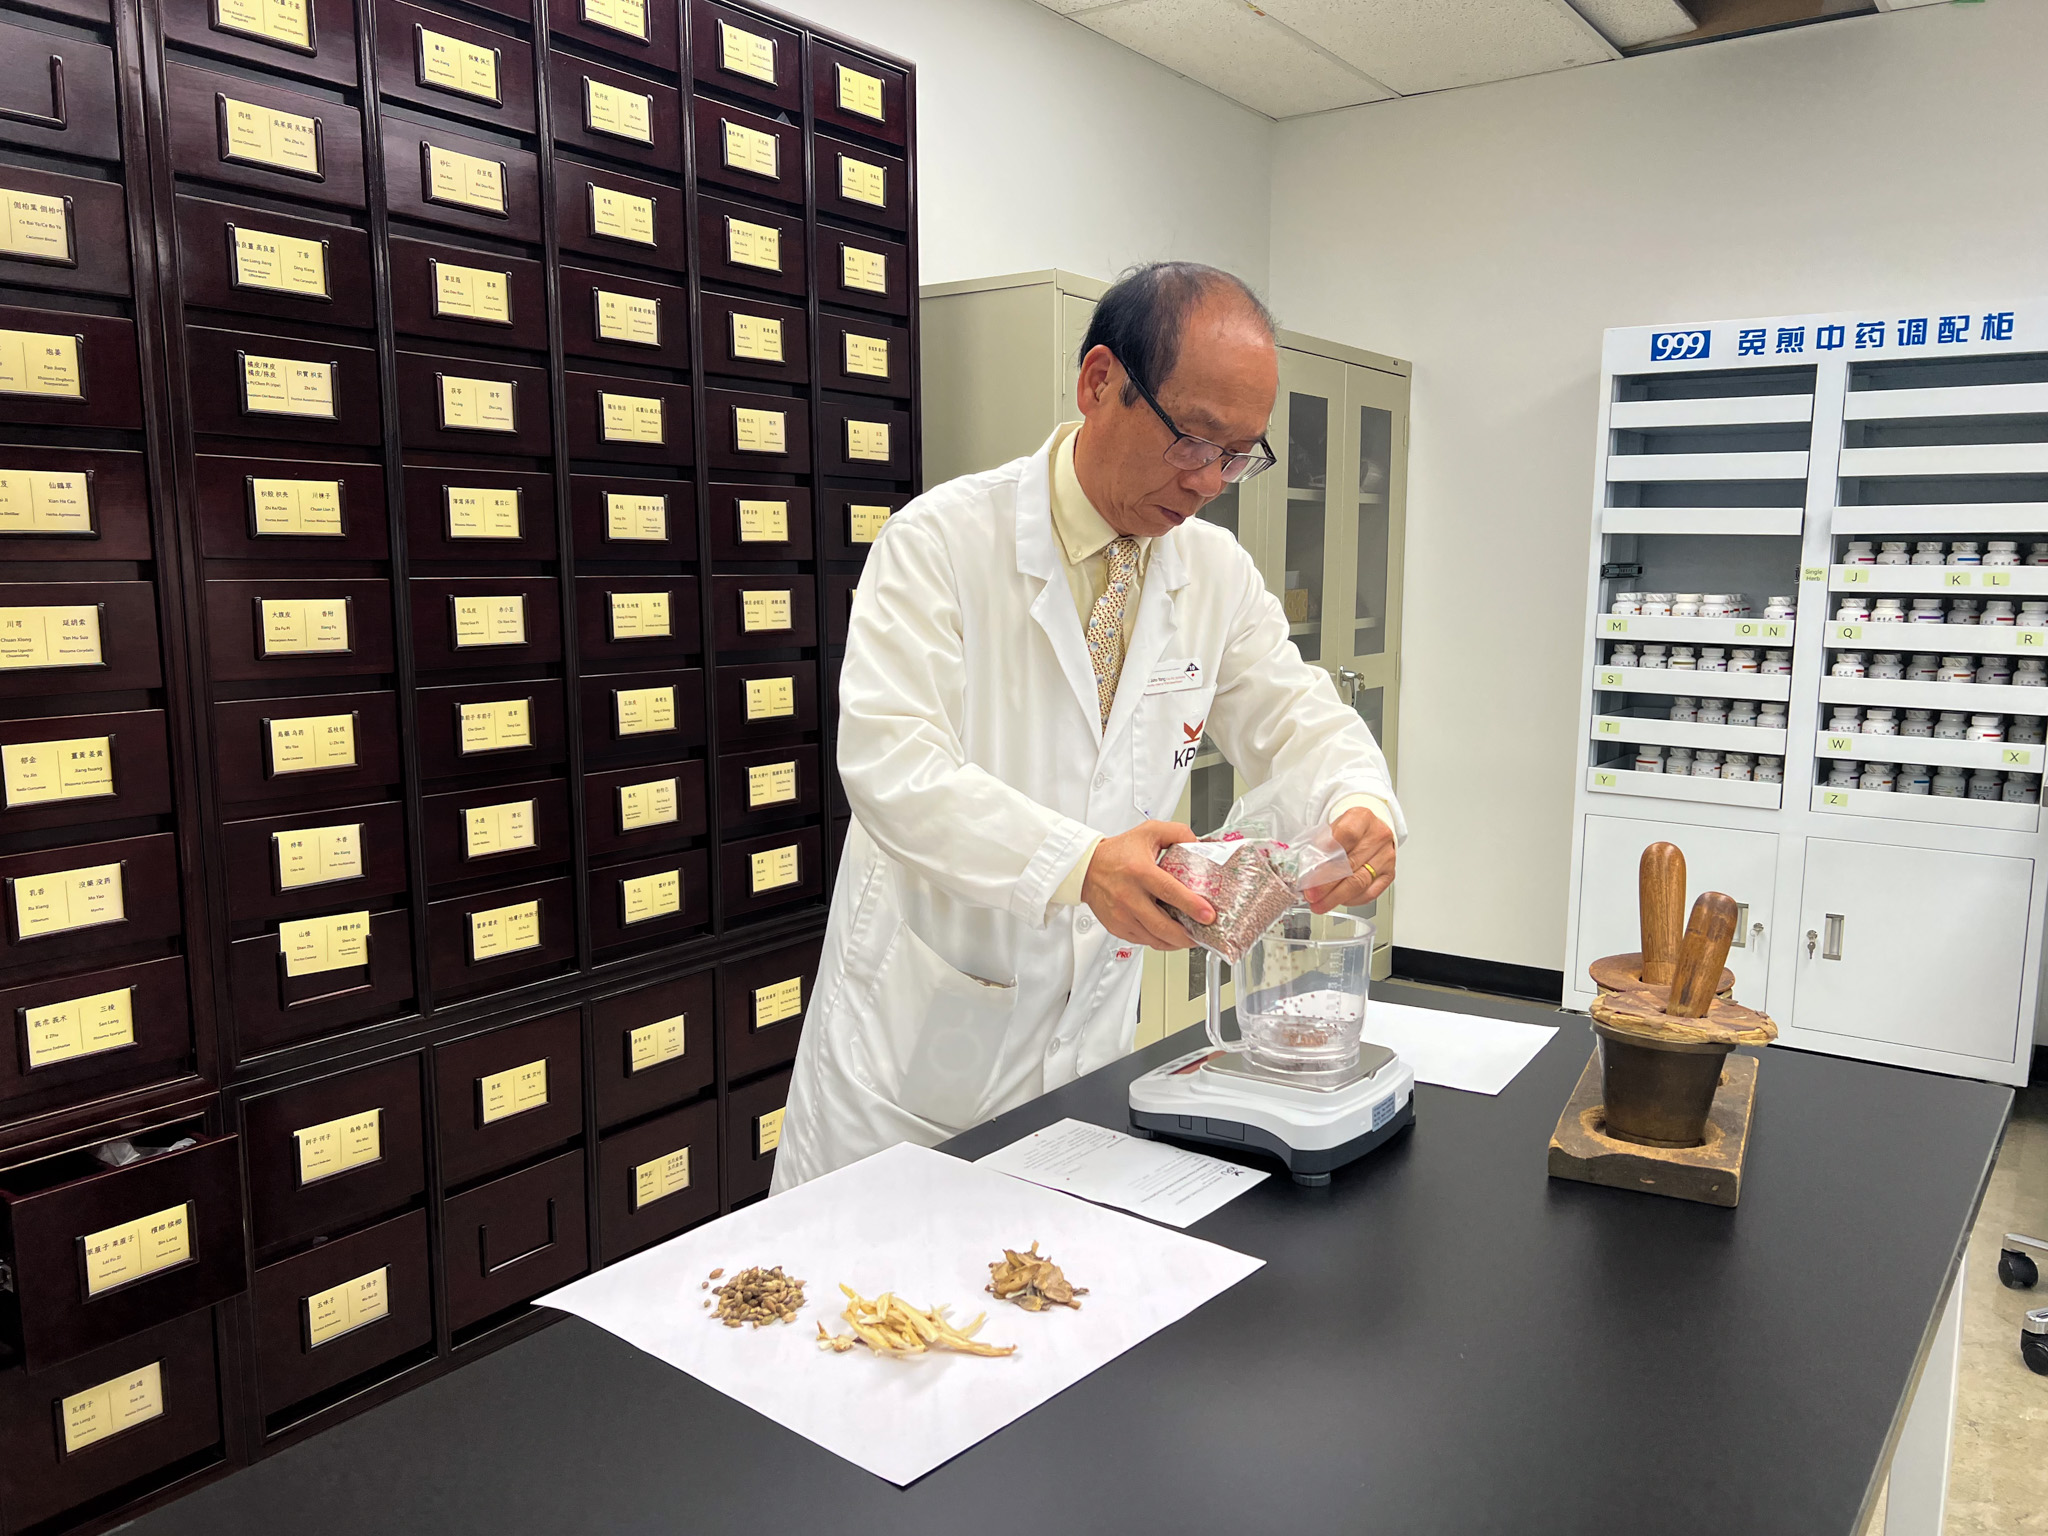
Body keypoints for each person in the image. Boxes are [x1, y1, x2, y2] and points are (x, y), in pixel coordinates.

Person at [771, 262, 1405, 1191]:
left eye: (1239, 456)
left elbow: (1297, 714)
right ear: (1100, 382)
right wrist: (1080, 865)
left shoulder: (1213, 572)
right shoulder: (940, 544)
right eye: (1194, 440)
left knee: (1052, 1266)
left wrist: (1358, 804)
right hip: (917, 1053)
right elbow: (893, 768)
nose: (1210, 482)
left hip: (1089, 1046)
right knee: (883, 1274)